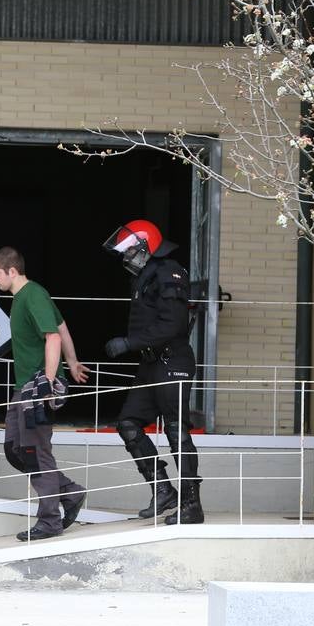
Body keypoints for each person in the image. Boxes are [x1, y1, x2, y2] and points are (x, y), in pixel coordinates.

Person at [101, 219, 203, 524]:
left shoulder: (169, 272)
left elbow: (172, 325)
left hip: (172, 362)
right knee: (128, 423)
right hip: (151, 363)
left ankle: (192, 506)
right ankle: (163, 489)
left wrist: (128, 343)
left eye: (129, 250)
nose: (125, 256)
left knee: (175, 430)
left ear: (146, 247)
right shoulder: (146, 275)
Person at [0, 247, 90, 541]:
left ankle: (49, 520)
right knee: (15, 449)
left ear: (12, 271)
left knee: (35, 452)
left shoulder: (32, 295)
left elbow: (53, 336)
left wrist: (48, 381)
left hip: (36, 388)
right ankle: (69, 492)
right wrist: (72, 362)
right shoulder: (24, 297)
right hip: (23, 388)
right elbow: (61, 327)